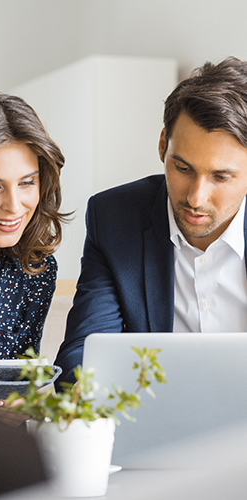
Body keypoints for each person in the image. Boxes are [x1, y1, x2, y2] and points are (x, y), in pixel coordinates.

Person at [54, 55, 247, 387]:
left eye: (221, 177)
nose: (196, 198)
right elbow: (81, 360)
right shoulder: (115, 218)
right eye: (183, 168)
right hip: (153, 426)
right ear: (162, 146)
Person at [0, 89, 66, 368]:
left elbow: (21, 381)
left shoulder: (36, 272)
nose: (14, 206)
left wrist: (15, 407)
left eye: (27, 183)